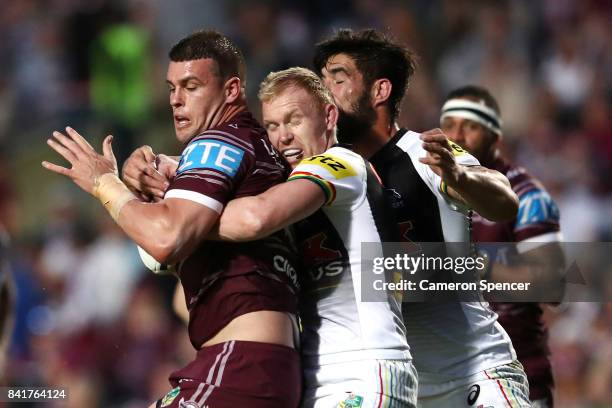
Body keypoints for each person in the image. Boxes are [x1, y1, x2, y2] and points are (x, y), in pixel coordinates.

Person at [126, 67, 418, 408]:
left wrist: (187, 211)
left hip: (365, 373)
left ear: (328, 116)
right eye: (273, 126)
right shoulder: (287, 191)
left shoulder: (340, 162)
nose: (284, 137)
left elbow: (254, 217)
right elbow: (183, 303)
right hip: (312, 381)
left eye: (293, 120)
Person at [43, 29, 301, 408]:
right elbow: (180, 287)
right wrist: (148, 193)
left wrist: (104, 184)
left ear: (231, 90)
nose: (176, 101)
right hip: (259, 364)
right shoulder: (256, 146)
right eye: (171, 88)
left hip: (240, 364)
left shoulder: (217, 142)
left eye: (192, 86)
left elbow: (167, 237)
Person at [313, 29, 530, 407]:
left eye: (338, 78)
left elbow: (503, 200)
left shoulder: (425, 152)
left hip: (473, 373)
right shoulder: (321, 175)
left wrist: (459, 176)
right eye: (320, 81)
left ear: (380, 91)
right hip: (395, 387)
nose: (323, 91)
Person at [440, 85, 565, 408]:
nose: (458, 136)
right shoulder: (435, 189)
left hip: (518, 375)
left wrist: (482, 267)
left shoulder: (528, 196)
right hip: (451, 374)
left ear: (495, 137)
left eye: (471, 126)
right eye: (450, 124)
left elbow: (551, 285)